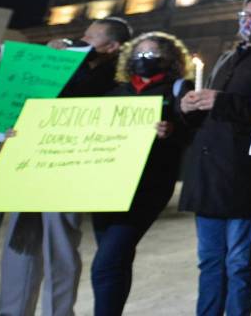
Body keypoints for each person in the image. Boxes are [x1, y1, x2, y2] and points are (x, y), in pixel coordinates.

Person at [0, 16, 132, 316]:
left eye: (92, 38)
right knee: (20, 244)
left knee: (59, 249)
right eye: (83, 35)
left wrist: (68, 63)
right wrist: (46, 61)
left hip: (68, 169)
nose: (83, 41)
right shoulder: (65, 64)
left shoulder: (118, 79)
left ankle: (58, 312)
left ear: (112, 47)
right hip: (30, 163)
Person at [179, 0, 251, 316]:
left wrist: (222, 101)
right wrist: (187, 107)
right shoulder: (227, 57)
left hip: (242, 171)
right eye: (246, 13)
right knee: (209, 260)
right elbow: (206, 109)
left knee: (238, 262)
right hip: (209, 170)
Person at [90, 31, 191, 316]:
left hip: (147, 187)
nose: (143, 60)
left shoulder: (178, 90)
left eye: (152, 55)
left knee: (106, 263)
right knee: (116, 261)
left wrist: (172, 131)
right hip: (108, 185)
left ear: (168, 60)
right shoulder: (115, 91)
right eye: (139, 54)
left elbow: (192, 131)